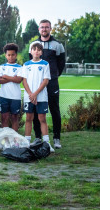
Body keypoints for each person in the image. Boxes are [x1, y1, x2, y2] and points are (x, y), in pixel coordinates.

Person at [29, 19, 66, 149]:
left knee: (54, 109)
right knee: (36, 109)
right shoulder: (34, 44)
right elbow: (31, 62)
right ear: (39, 29)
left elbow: (61, 64)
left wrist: (53, 76)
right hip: (36, 84)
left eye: (47, 27)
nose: (44, 29)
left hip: (52, 83)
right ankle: (38, 137)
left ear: (50, 29)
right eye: (42, 27)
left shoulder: (57, 45)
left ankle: (56, 138)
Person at [22, 43, 54, 152]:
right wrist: (31, 94)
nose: (36, 51)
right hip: (29, 97)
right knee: (28, 118)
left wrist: (35, 94)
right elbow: (24, 81)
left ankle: (47, 144)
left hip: (41, 97)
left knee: (42, 119)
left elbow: (46, 81)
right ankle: (26, 143)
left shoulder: (45, 64)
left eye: (39, 49)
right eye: (34, 49)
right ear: (30, 51)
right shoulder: (26, 64)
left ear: (41, 52)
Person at [0, 43, 23, 131]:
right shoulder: (2, 67)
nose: (11, 57)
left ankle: (14, 139)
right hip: (4, 96)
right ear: (5, 55)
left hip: (15, 96)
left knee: (15, 118)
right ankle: (6, 139)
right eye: (9, 55)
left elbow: (19, 80)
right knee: (4, 118)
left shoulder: (20, 67)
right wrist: (13, 78)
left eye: (13, 55)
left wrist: (6, 76)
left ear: (16, 55)